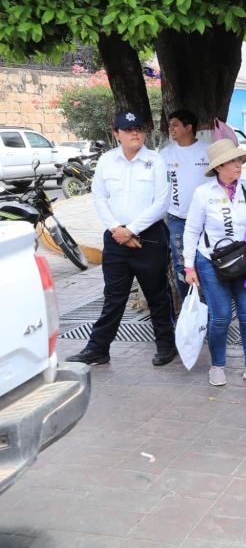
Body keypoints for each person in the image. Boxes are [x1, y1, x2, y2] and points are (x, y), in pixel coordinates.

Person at [67, 111, 176, 367]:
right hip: (116, 237)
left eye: (138, 128)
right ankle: (98, 349)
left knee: (157, 295)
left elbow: (162, 202)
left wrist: (132, 230)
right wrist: (118, 229)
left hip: (149, 237)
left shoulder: (155, 161)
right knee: (113, 297)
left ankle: (166, 345)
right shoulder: (107, 161)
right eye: (128, 129)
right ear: (117, 134)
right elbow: (99, 198)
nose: (135, 133)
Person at [183, 139, 246, 387]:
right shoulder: (204, 193)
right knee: (221, 316)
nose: (238, 165)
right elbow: (191, 231)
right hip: (211, 262)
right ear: (219, 166)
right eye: (232, 161)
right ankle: (217, 365)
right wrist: (189, 266)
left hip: (244, 260)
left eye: (239, 160)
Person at [160, 109, 211, 304]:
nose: (171, 129)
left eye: (175, 125)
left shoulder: (208, 150)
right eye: (170, 125)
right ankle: (190, 308)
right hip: (178, 219)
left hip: (207, 219)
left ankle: (210, 309)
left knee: (207, 262)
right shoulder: (165, 154)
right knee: (182, 265)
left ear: (188, 127)